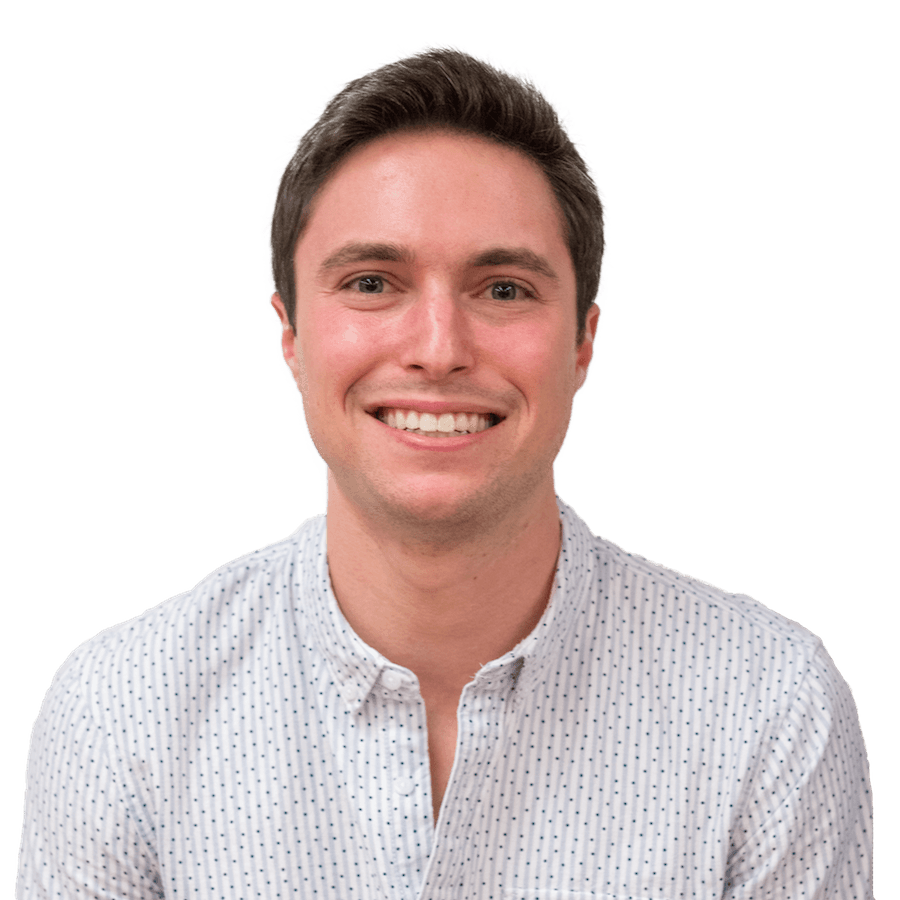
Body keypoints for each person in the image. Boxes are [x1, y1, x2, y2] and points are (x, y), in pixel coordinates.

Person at [16, 45, 874, 899]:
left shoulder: (769, 709)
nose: (438, 350)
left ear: (584, 340)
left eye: (503, 290)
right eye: (372, 282)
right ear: (290, 334)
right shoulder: (121, 713)